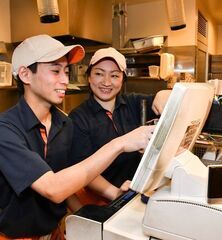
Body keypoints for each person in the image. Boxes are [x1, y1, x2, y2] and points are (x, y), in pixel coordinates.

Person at [0, 35, 155, 239]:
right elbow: (53, 188)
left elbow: (69, 183)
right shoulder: (6, 129)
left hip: (54, 232)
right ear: (25, 75)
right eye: (55, 71)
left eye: (66, 71)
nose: (65, 80)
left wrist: (89, 219)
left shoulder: (63, 123)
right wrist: (121, 143)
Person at [69, 47, 171, 205]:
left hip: (138, 190)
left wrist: (163, 94)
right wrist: (115, 193)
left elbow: (165, 99)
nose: (106, 82)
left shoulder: (135, 103)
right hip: (104, 198)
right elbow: (83, 168)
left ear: (123, 80)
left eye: (114, 75)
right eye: (99, 73)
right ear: (88, 77)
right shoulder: (78, 118)